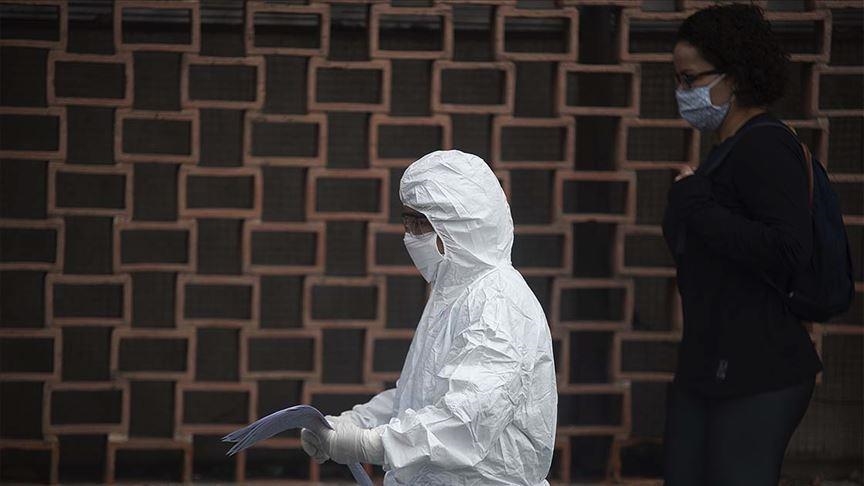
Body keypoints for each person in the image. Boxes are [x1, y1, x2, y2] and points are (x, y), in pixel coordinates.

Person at [301, 150, 558, 485]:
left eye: (421, 223)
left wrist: (368, 443)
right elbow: (422, 395)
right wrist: (357, 422)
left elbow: (465, 422)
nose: (411, 235)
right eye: (407, 222)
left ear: (462, 225)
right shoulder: (455, 292)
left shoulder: (497, 305)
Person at [662, 4, 823, 485]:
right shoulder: (728, 150)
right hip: (712, 364)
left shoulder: (765, 146)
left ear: (732, 78)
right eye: (678, 80)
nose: (682, 92)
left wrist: (695, 202)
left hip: (758, 371)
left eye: (690, 79)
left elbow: (788, 249)